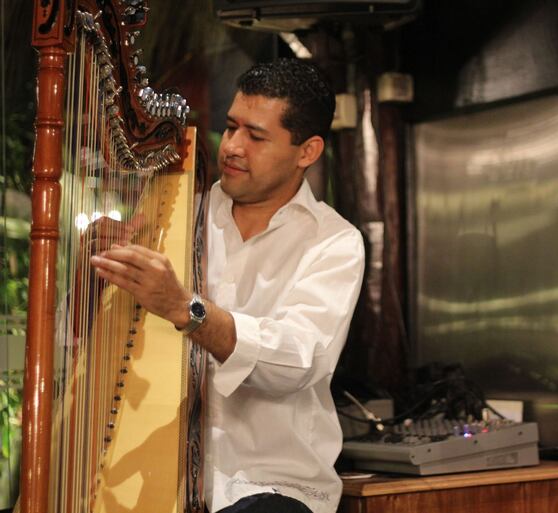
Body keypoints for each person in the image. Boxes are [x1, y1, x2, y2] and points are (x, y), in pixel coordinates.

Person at [90, 58, 365, 513]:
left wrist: (186, 310)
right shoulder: (177, 215)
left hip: (275, 488)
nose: (233, 146)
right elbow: (88, 342)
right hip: (165, 480)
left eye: (256, 136)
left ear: (307, 151)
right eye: (232, 127)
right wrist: (97, 275)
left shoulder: (334, 242)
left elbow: (297, 362)